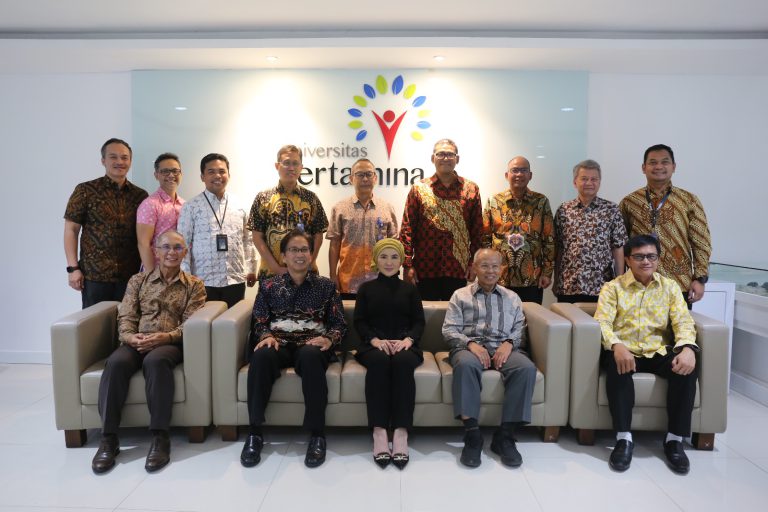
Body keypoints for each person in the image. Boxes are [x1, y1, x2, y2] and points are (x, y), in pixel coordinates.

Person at [90, 230, 206, 474]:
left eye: (177, 248)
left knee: (156, 362)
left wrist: (167, 336)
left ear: (185, 252)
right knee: (116, 363)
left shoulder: (194, 286)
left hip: (169, 344)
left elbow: (190, 323)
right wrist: (130, 337)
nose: (171, 252)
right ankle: (109, 439)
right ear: (156, 250)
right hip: (136, 341)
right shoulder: (137, 281)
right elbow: (127, 314)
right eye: (166, 247)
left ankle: (160, 438)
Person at [241, 230, 346, 469]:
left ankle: (317, 434)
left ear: (311, 255)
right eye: (294, 250)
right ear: (284, 256)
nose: (299, 255)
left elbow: (339, 323)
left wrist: (329, 339)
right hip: (277, 342)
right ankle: (255, 432)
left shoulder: (326, 287)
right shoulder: (268, 286)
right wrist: (266, 335)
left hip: (310, 343)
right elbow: (259, 319)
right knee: (261, 355)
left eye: (304, 250)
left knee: (311, 356)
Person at [595, 235, 699, 475]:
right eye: (639, 257)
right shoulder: (613, 287)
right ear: (629, 260)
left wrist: (687, 348)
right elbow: (602, 322)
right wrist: (616, 345)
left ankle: (674, 439)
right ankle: (624, 438)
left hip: (658, 349)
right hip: (625, 349)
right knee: (616, 365)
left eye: (651, 256)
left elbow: (683, 321)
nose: (645, 261)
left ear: (658, 259)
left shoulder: (670, 287)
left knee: (686, 367)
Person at [442, 248, 537, 468]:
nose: (490, 270)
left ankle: (505, 436)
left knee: (526, 368)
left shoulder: (512, 297)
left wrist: (509, 344)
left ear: (502, 269)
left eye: (495, 266)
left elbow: (519, 328)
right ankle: (473, 435)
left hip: (504, 347)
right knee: (465, 365)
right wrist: (471, 344)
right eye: (484, 265)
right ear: (474, 268)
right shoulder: (460, 295)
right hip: (469, 347)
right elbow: (449, 330)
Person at [353, 238, 425, 469]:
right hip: (373, 344)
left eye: (394, 257)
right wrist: (375, 340)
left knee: (403, 363)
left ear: (401, 260)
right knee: (379, 363)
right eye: (383, 256)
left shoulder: (410, 289)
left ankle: (402, 433)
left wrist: (408, 340)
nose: (389, 262)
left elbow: (419, 322)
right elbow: (360, 322)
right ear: (376, 259)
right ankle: (380, 432)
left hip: (405, 344)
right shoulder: (365, 289)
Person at [619, 144, 712, 306]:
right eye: (653, 162)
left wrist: (700, 279)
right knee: (638, 330)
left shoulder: (689, 200)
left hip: (678, 283)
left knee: (677, 330)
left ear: (673, 167)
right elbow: (619, 245)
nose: (659, 167)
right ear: (644, 167)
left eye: (665, 162)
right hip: (639, 283)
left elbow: (701, 242)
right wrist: (619, 279)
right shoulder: (630, 202)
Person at [64, 138, 148, 308]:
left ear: (130, 161)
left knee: (127, 328)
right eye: (113, 157)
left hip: (130, 276)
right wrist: (73, 269)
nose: (119, 162)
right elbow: (71, 230)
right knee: (94, 328)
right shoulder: (85, 190)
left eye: (124, 157)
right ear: (103, 160)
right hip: (95, 276)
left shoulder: (140, 195)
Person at [399, 138, 483, 300]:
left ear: (457, 159)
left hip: (457, 268)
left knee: (455, 318)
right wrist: (407, 264)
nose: (445, 158)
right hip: (425, 267)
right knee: (426, 317)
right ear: (433, 158)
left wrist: (474, 263)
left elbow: (478, 231)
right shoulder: (419, 189)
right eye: (441, 154)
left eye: (450, 154)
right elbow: (407, 228)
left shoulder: (471, 189)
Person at [177, 153, 257, 308]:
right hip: (202, 280)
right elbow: (182, 244)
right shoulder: (191, 207)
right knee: (204, 327)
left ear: (228, 174)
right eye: (211, 172)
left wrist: (251, 268)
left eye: (222, 171)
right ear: (202, 176)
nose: (217, 176)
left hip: (235, 278)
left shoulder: (240, 205)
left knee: (233, 327)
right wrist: (185, 278)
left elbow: (248, 240)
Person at [248, 144, 328, 281]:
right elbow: (257, 237)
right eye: (286, 163)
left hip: (306, 274)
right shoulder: (263, 197)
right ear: (277, 166)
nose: (291, 168)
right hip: (271, 274)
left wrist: (308, 263)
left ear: (301, 168)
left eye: (295, 163)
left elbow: (318, 235)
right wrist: (276, 268)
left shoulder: (311, 198)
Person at [482, 156, 554, 304]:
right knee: (498, 322)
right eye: (515, 170)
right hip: (499, 278)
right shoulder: (494, 201)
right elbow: (485, 239)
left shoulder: (541, 202)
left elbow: (549, 240)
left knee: (529, 322)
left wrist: (547, 273)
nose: (519, 174)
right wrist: (486, 271)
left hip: (531, 278)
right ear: (506, 175)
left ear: (530, 175)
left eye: (523, 170)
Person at [553, 159, 627, 303]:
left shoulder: (611, 209)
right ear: (575, 182)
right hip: (568, 285)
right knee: (569, 325)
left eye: (594, 179)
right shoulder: (564, 210)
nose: (589, 183)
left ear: (599, 182)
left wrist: (620, 281)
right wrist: (556, 279)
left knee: (600, 326)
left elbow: (618, 248)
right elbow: (559, 248)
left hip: (602, 286)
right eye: (584, 179)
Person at [327, 158, 398, 299]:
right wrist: (332, 276)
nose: (365, 178)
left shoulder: (387, 208)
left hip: (381, 281)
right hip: (348, 282)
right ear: (351, 178)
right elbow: (334, 244)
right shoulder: (339, 208)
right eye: (360, 175)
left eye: (369, 174)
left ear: (375, 178)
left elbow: (395, 244)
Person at [136, 152, 185, 272]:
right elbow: (143, 243)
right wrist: (153, 276)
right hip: (158, 270)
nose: (171, 175)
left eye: (175, 171)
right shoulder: (150, 204)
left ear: (181, 174)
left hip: (180, 271)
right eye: (165, 171)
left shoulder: (185, 205)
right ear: (156, 175)